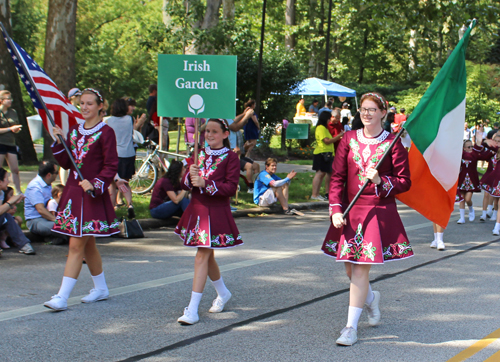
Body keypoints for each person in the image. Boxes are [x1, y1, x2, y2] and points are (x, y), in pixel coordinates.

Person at [321, 92, 412, 346]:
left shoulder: (394, 143)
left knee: (360, 268)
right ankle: (371, 300)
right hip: (350, 211)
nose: (367, 113)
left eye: (373, 109)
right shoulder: (349, 139)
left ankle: (350, 327)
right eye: (363, 108)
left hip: (376, 211)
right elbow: (337, 177)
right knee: (350, 268)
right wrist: (336, 209)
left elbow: (405, 182)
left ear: (383, 113)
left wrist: (381, 181)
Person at [44, 88, 120, 312]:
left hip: (91, 195)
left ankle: (62, 296)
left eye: (89, 103)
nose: (85, 107)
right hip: (73, 193)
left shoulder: (106, 132)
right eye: (82, 104)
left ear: (100, 106)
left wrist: (96, 183)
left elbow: (111, 166)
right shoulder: (75, 130)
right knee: (88, 245)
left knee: (76, 244)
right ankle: (101, 288)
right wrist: (59, 142)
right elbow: (68, 163)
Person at [174, 118, 242, 325]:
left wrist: (206, 183)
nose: (209, 135)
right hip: (197, 210)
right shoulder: (197, 154)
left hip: (216, 211)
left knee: (201, 256)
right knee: (207, 255)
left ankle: (192, 309)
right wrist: (189, 175)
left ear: (225, 134)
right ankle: (223, 293)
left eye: (214, 131)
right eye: (206, 132)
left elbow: (230, 188)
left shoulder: (231, 157)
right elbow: (185, 185)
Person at [24, 161, 67, 244]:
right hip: (35, 220)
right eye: (56, 173)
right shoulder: (35, 187)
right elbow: (40, 210)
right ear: (49, 175)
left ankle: (54, 237)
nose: (57, 175)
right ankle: (54, 238)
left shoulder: (47, 184)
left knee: (69, 226)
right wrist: (57, 220)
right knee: (63, 227)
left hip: (46, 219)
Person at [107, 98, 136, 219]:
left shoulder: (109, 121)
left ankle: (111, 208)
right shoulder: (130, 119)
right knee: (125, 181)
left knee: (113, 184)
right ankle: (130, 205)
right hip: (128, 154)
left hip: (115, 154)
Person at [456, 135, 492, 224]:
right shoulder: (460, 154)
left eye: (472, 146)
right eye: (469, 147)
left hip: (471, 180)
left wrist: (491, 150)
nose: (471, 148)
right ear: (464, 148)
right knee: (462, 199)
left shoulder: (474, 155)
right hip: (461, 179)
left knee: (468, 199)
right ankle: (462, 217)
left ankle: (471, 209)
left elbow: (484, 156)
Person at [0, 167, 35, 254]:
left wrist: (13, 203)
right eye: (6, 179)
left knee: (7, 216)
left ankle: (24, 244)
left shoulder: (1, 193)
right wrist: (10, 202)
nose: (8, 182)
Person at [0, 90, 23, 195]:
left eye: (10, 98)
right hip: (1, 143)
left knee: (15, 169)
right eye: (7, 99)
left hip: (11, 143)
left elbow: (16, 125)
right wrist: (10, 129)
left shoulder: (13, 112)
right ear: (1, 100)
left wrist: (16, 129)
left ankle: (18, 191)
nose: (10, 101)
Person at [311, 111, 335, 201]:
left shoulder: (325, 128)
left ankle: (316, 194)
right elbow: (326, 141)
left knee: (323, 173)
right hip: (321, 153)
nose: (330, 120)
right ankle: (314, 194)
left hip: (326, 153)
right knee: (319, 173)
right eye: (329, 118)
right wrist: (338, 136)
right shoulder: (321, 128)